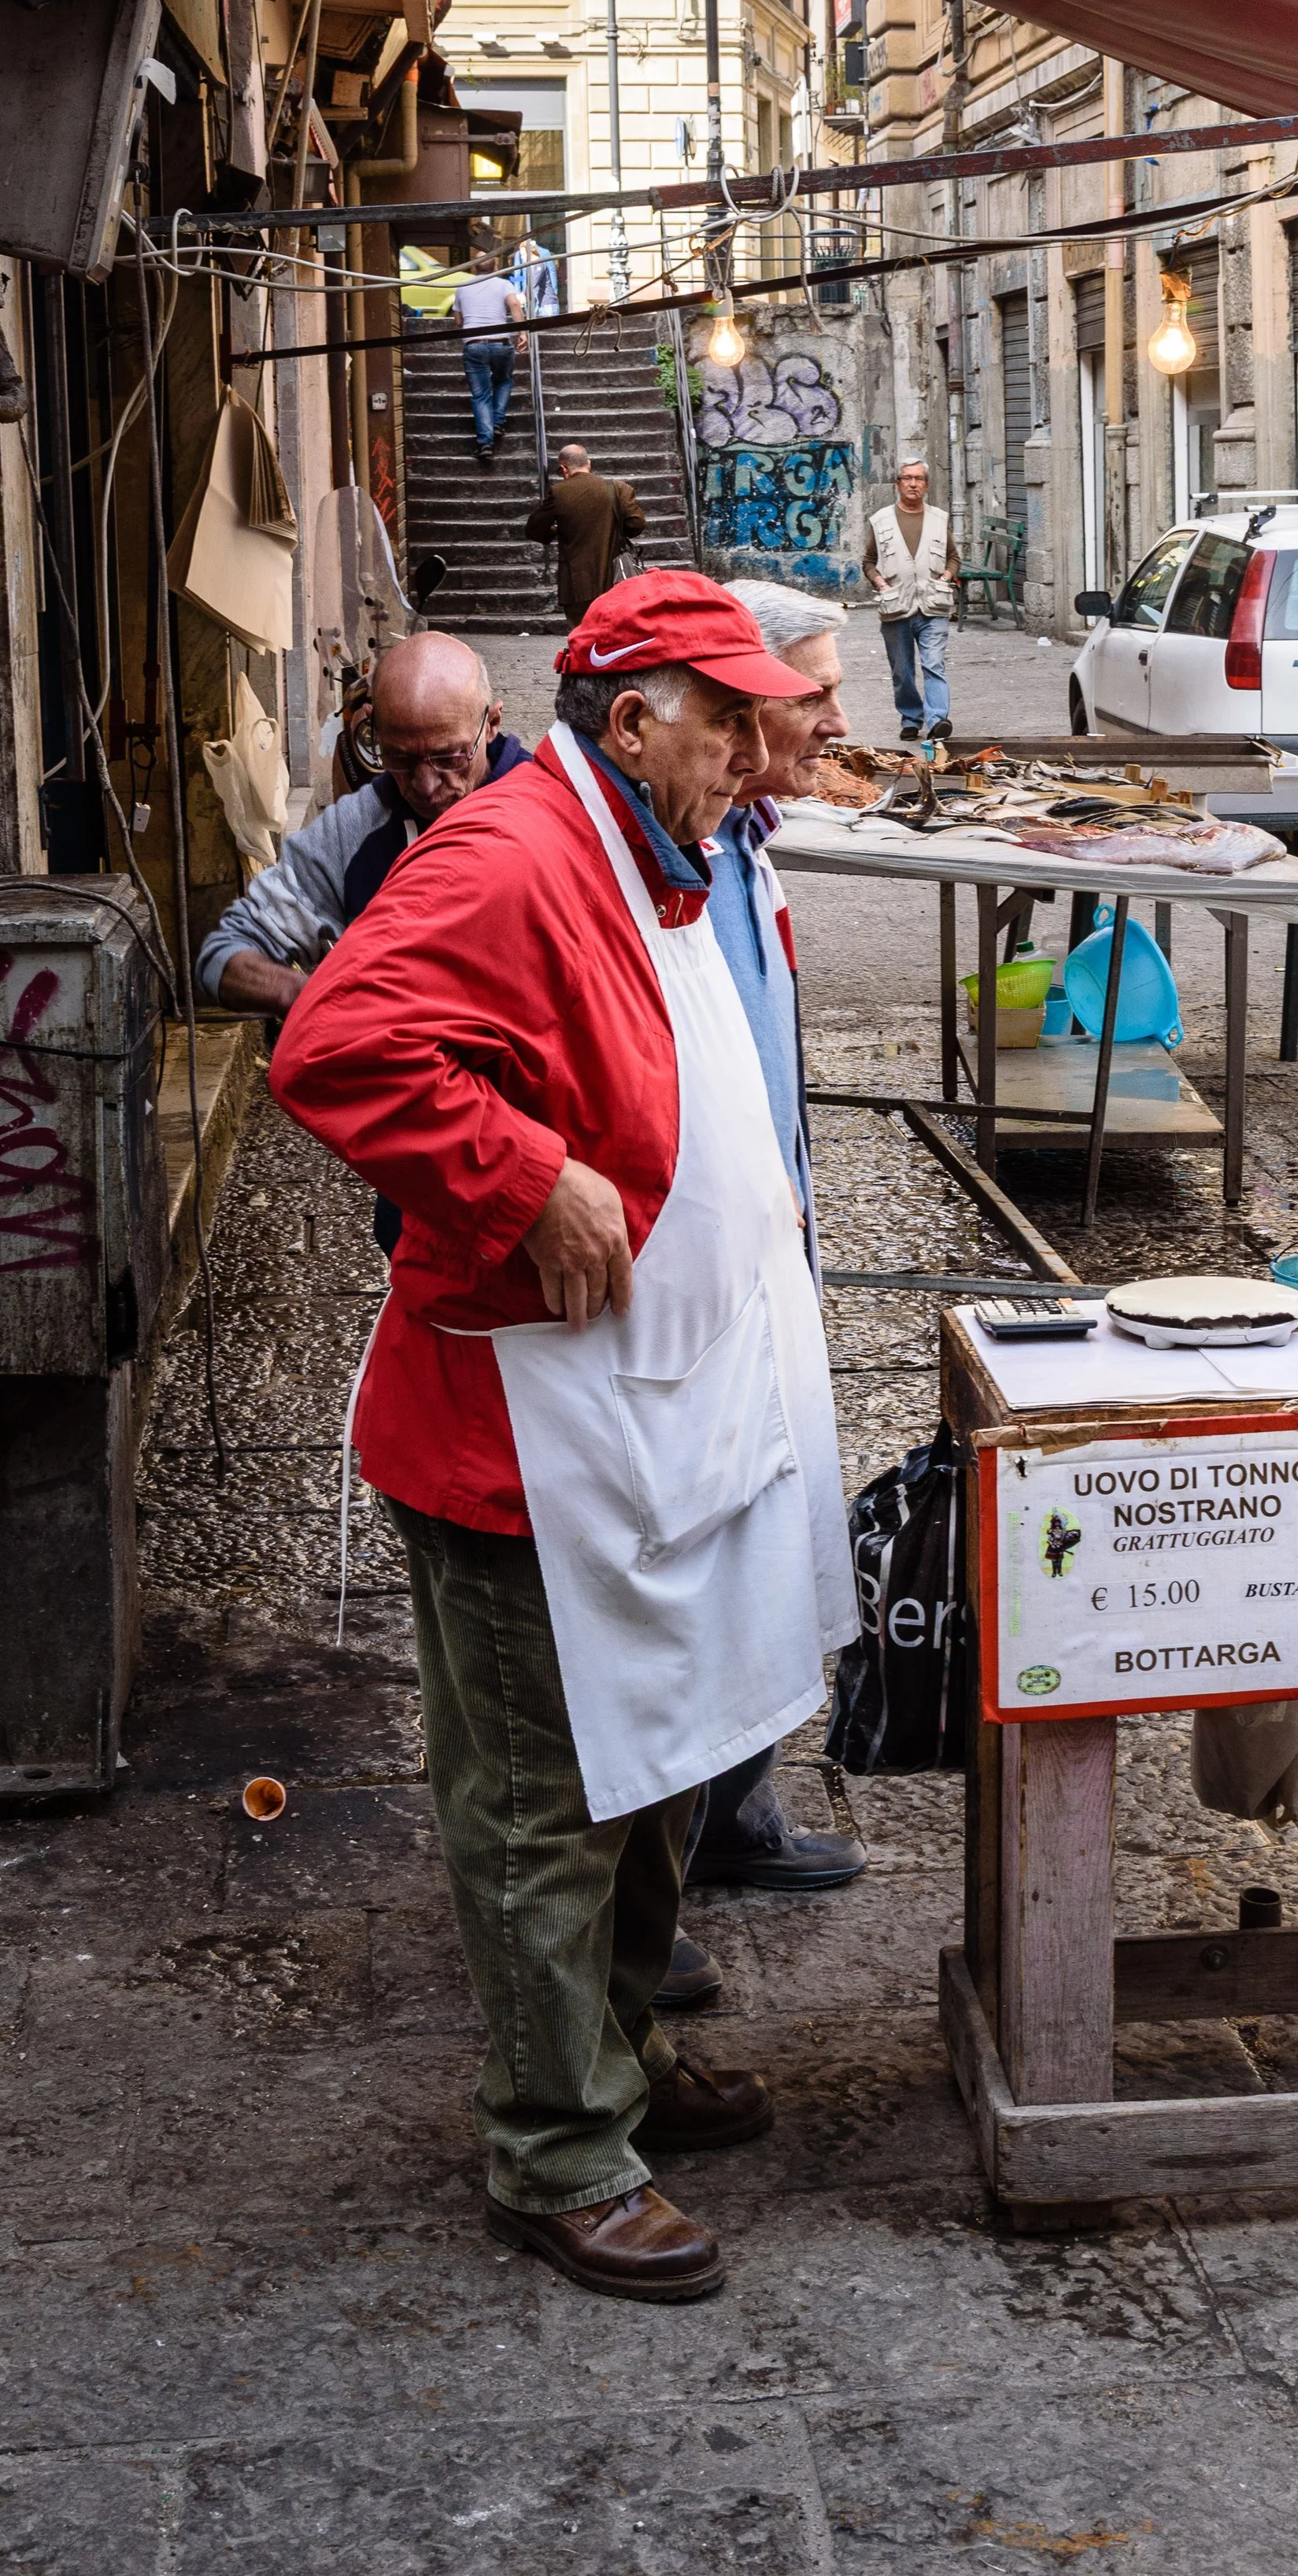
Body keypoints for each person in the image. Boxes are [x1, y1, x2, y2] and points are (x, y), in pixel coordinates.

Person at [270, 571, 855, 2304]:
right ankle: (555, 2146)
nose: (763, 749)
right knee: (546, 1802)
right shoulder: (516, 852)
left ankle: (619, 2058)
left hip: (661, 1410)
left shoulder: (667, 843)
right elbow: (336, 1040)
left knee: (665, 1752)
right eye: (732, 721)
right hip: (526, 1431)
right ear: (633, 723)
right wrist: (520, 1179)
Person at [658, 579, 863, 1971]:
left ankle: (734, 1809)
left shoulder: (742, 837)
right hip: (682, 1264)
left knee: (771, 1539)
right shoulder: (649, 853)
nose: (841, 717)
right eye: (815, 693)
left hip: (761, 1234)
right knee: (686, 1565)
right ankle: (640, 1901)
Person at [196, 632, 528, 1020]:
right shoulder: (352, 831)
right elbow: (223, 956)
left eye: (448, 756)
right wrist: (330, 1003)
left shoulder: (552, 813)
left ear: (491, 723)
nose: (424, 785)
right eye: (398, 757)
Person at [863, 457, 959, 739]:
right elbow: (868, 561)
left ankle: (937, 721)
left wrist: (946, 576)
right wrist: (880, 582)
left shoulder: (939, 519)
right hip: (896, 606)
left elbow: (953, 557)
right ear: (898, 484)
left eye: (919, 479)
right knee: (902, 671)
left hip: (934, 606)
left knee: (934, 664)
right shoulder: (881, 521)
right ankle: (910, 718)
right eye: (908, 479)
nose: (913, 484)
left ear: (927, 485)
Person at [523, 442, 647, 626]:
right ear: (588, 463)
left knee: (582, 637)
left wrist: (557, 530)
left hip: (577, 585)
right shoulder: (619, 489)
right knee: (617, 634)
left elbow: (534, 529)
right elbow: (637, 524)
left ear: (564, 468)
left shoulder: (559, 492)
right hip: (615, 580)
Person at [454, 248, 527, 461]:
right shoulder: (504, 284)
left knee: (481, 395)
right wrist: (522, 332)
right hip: (501, 344)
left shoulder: (462, 287)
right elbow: (514, 304)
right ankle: (497, 422)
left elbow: (458, 322)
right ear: (496, 267)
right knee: (503, 381)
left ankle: (485, 443)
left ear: (475, 268)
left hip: (474, 345)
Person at [510, 232, 560, 319]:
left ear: (530, 253)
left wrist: (522, 295)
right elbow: (518, 274)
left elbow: (535, 281)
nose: (522, 257)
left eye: (523, 255)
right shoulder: (530, 262)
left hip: (546, 303)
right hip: (537, 301)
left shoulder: (540, 263)